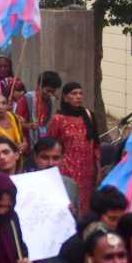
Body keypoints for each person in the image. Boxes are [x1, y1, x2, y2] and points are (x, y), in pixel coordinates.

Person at [47, 82, 99, 214]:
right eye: (74, 93)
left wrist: (97, 168)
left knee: (86, 209)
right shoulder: (58, 119)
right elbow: (50, 146)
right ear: (65, 97)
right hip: (67, 172)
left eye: (81, 93)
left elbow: (95, 144)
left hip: (87, 173)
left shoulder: (88, 115)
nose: (79, 97)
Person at [59, 187, 128, 263]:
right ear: (97, 216)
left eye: (121, 219)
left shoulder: (121, 239)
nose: (117, 224)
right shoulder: (74, 246)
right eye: (112, 219)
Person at [32, 137, 80, 213]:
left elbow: (77, 219)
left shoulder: (71, 185)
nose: (51, 163)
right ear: (35, 157)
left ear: (62, 159)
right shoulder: (22, 186)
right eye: (45, 158)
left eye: (56, 158)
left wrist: (72, 213)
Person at [16, 71, 62, 148]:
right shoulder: (27, 99)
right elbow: (16, 123)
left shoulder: (49, 102)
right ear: (38, 86)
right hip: (26, 143)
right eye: (48, 91)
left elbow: (44, 124)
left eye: (53, 92)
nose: (50, 94)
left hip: (40, 144)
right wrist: (29, 126)